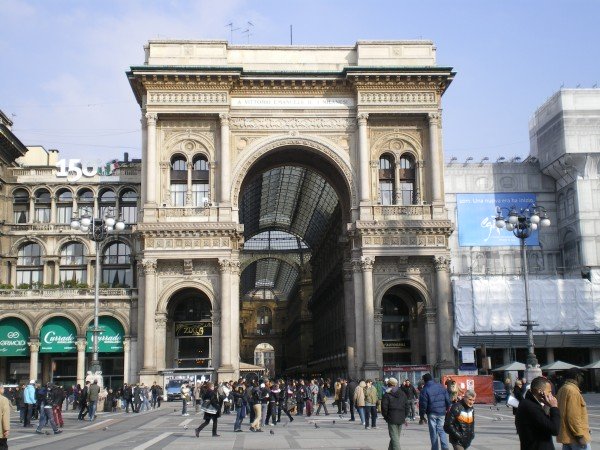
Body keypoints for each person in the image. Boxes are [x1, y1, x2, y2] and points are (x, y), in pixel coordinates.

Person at [515, 376, 560, 450]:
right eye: (549, 392)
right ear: (540, 391)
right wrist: (554, 407)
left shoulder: (528, 403)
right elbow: (554, 429)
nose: (551, 395)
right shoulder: (531, 407)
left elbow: (543, 423)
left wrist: (547, 406)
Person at [557, 368, 591, 450]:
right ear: (577, 377)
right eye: (581, 376)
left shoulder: (562, 389)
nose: (582, 379)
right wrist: (579, 435)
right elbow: (573, 417)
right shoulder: (572, 391)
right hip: (575, 438)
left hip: (566, 437)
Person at [419, 373, 451, 450]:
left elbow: (423, 405)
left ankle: (435, 448)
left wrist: (422, 416)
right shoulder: (441, 386)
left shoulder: (425, 389)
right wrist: (447, 409)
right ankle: (445, 447)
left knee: (433, 432)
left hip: (432, 413)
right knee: (441, 430)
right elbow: (447, 399)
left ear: (425, 380)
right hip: (442, 412)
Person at [381, 377, 409, 450]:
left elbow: (384, 408)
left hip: (392, 417)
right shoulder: (402, 393)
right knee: (395, 437)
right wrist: (404, 416)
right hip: (401, 417)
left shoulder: (387, 395)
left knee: (395, 438)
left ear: (389, 384)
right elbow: (407, 406)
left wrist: (386, 417)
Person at [0, 383, 10, 450]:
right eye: (3, 388)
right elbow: (5, 416)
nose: (3, 389)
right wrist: (6, 429)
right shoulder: (3, 399)